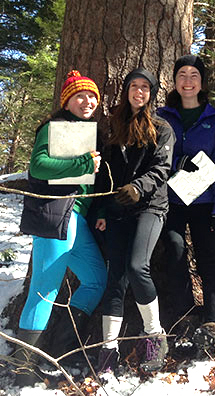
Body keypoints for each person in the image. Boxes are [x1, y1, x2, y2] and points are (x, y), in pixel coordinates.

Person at [16, 70, 108, 386]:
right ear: (66, 100)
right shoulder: (53, 128)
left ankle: (59, 348)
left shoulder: (90, 132)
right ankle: (21, 367)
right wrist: (81, 164)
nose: (88, 101)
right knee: (44, 291)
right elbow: (38, 166)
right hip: (56, 216)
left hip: (79, 220)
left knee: (97, 280)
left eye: (92, 96)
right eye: (80, 96)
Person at [95, 68, 175, 373]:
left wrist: (138, 187)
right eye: (134, 86)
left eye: (145, 88)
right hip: (117, 210)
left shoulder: (161, 127)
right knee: (115, 276)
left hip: (150, 208)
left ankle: (154, 334)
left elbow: (161, 168)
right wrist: (102, 210)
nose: (139, 92)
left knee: (135, 266)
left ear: (151, 94)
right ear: (126, 90)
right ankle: (107, 350)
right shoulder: (114, 128)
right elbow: (105, 175)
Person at [157, 55, 215, 356]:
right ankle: (186, 316)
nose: (188, 80)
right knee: (174, 252)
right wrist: (177, 163)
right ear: (175, 81)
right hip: (171, 200)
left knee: (208, 257)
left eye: (194, 75)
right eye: (182, 74)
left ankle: (214, 321)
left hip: (204, 201)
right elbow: (154, 157)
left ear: (202, 82)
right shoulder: (163, 116)